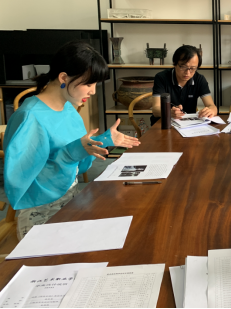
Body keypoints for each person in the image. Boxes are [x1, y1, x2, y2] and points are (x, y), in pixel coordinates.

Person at [4, 41, 140, 239]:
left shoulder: (68, 109)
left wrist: (103, 140)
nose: (93, 91)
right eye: (88, 84)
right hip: (41, 211)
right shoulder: (30, 117)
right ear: (63, 78)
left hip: (71, 200)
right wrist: (71, 154)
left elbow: (79, 159)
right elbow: (21, 181)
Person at [151, 45, 217, 125]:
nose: (188, 73)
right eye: (183, 67)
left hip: (188, 125)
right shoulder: (162, 78)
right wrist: (169, 112)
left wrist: (210, 111)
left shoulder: (199, 79)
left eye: (192, 68)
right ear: (175, 63)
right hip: (163, 123)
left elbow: (211, 106)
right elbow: (155, 110)